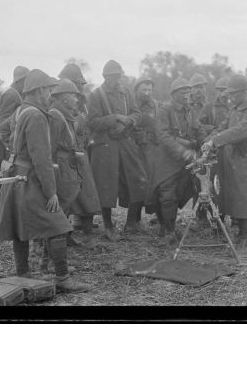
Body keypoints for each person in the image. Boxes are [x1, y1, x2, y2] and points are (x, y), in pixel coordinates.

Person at [0, 69, 89, 293]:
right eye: (47, 90)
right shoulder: (35, 115)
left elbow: (4, 131)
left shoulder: (20, 110)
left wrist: (15, 153)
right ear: (38, 91)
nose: (49, 95)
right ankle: (63, 278)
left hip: (16, 176)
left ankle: (23, 273)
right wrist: (51, 191)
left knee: (19, 226)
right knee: (57, 224)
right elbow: (42, 158)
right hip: (31, 178)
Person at [87, 60, 148, 241]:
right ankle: (108, 225)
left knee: (138, 179)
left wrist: (128, 121)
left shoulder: (126, 92)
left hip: (126, 143)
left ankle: (131, 223)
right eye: (114, 77)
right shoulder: (96, 95)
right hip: (105, 147)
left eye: (119, 76)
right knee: (106, 186)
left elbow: (138, 114)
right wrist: (115, 118)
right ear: (105, 77)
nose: (117, 80)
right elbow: (93, 122)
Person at [202, 74, 247, 252]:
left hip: (246, 158)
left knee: (245, 196)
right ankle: (236, 232)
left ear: (245, 92)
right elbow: (224, 126)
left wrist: (216, 141)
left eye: (235, 93)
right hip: (231, 157)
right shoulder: (235, 108)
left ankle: (246, 236)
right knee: (232, 194)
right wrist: (209, 139)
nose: (231, 97)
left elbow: (239, 131)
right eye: (230, 94)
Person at [146, 77, 206, 246]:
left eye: (188, 91)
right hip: (166, 161)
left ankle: (167, 226)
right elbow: (163, 136)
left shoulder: (190, 111)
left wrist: (207, 143)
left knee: (179, 194)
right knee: (166, 195)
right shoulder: (164, 110)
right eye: (182, 92)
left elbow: (199, 130)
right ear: (173, 94)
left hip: (183, 163)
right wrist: (183, 151)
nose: (187, 95)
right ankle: (169, 232)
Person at [48, 78, 100, 249]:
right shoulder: (56, 115)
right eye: (73, 96)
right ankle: (54, 248)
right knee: (62, 204)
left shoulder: (67, 115)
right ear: (64, 98)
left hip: (71, 162)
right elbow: (51, 148)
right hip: (62, 166)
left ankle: (63, 239)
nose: (77, 99)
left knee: (70, 200)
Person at [128, 76, 161, 233]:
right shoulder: (130, 105)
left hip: (150, 149)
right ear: (136, 90)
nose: (147, 93)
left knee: (148, 183)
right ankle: (131, 221)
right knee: (135, 183)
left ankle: (139, 220)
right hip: (133, 148)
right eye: (144, 90)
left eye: (150, 90)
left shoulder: (155, 105)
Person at [198, 76, 230, 219]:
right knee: (215, 185)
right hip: (215, 152)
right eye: (220, 90)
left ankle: (232, 218)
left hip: (231, 151)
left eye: (226, 90)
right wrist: (214, 130)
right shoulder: (209, 107)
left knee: (230, 185)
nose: (223, 93)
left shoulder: (235, 107)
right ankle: (216, 219)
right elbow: (199, 126)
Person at [0, 65, 29, 169]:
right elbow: (2, 126)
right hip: (7, 150)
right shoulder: (11, 95)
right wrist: (11, 148)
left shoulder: (16, 94)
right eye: (25, 81)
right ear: (19, 81)